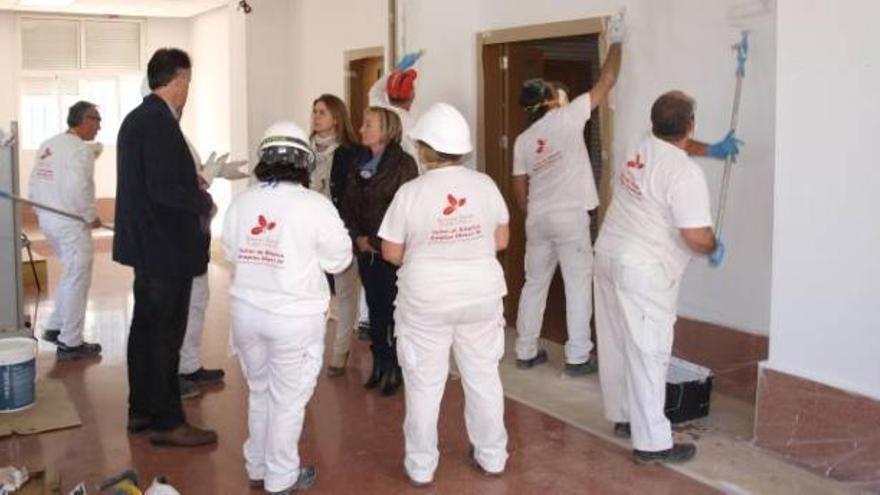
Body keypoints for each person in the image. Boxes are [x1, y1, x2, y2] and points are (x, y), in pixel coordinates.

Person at [594, 90, 736, 465]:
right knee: (649, 352)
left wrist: (710, 150)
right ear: (690, 124)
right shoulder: (685, 175)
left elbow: (675, 147)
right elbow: (695, 235)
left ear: (654, 123)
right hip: (642, 269)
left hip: (607, 254)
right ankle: (652, 442)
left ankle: (626, 416)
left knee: (618, 344)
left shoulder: (638, 143)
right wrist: (713, 246)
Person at [379, 103, 510, 486]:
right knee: (483, 377)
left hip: (426, 303)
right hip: (481, 296)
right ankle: (493, 456)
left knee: (424, 384)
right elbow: (501, 239)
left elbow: (391, 252)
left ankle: (421, 466)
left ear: (424, 148)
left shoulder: (411, 192)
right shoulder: (485, 185)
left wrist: (430, 250)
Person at [223, 121, 352, 494]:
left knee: (261, 391)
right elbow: (339, 260)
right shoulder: (316, 206)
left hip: (246, 312)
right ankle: (281, 477)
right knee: (289, 399)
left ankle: (259, 466)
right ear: (305, 163)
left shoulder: (243, 201)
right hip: (294, 319)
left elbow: (231, 251)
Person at [114, 48, 217, 446]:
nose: (187, 90)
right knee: (164, 335)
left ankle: (141, 410)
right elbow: (163, 189)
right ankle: (168, 421)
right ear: (175, 81)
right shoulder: (158, 123)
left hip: (148, 246)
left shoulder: (139, 119)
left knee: (145, 330)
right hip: (165, 247)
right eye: (187, 82)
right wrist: (202, 201)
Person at [511, 15, 624, 376]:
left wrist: (534, 213)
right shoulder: (568, 117)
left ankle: (526, 350)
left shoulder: (524, 140)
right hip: (570, 217)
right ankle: (577, 357)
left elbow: (519, 188)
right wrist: (617, 41)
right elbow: (607, 80)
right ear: (552, 101)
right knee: (577, 284)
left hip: (538, 218)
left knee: (534, 284)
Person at [341, 106, 418, 396]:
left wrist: (374, 240)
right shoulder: (357, 161)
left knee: (394, 310)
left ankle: (396, 367)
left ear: (387, 129)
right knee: (375, 310)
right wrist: (357, 237)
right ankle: (380, 362)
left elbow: (405, 210)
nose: (361, 129)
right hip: (365, 250)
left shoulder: (404, 164)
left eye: (368, 124)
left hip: (390, 251)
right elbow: (347, 205)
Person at [28, 101, 103, 360]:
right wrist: (90, 216)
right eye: (97, 120)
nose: (99, 126)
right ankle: (71, 342)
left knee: (72, 273)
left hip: (48, 219)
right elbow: (79, 188)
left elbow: (34, 180)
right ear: (85, 120)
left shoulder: (48, 144)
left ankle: (55, 327)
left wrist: (39, 212)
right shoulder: (80, 151)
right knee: (78, 277)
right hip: (70, 223)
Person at [309, 94, 362, 376]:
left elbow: (356, 197)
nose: (316, 117)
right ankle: (309, 347)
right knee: (312, 292)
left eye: (322, 112)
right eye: (315, 111)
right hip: (307, 233)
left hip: (339, 230)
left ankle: (340, 351)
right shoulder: (303, 150)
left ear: (336, 118)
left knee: (345, 293)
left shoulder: (350, 153)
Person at [369, 51, 423, 172]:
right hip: (404, 179)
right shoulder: (412, 125)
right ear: (412, 95)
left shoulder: (381, 112)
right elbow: (418, 163)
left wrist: (397, 70)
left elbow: (375, 90)